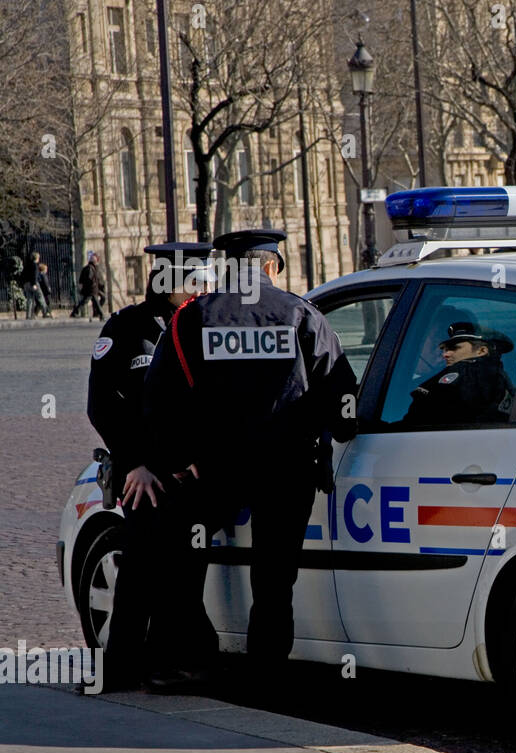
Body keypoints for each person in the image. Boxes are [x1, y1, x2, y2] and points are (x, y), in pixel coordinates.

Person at [141, 228, 359, 689]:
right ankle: (267, 676)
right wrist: (339, 432)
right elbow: (342, 397)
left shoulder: (192, 318)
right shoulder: (302, 314)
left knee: (183, 557)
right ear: (270, 268)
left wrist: (180, 456)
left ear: (226, 268)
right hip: (288, 469)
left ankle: (196, 658)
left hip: (216, 469)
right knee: (275, 578)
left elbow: (159, 399)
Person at [87, 242, 215, 691]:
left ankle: (170, 664)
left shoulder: (208, 325)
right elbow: (103, 406)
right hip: (146, 479)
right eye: (192, 279)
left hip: (193, 477)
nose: (200, 287)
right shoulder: (127, 328)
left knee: (186, 574)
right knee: (139, 573)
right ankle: (120, 670)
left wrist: (200, 459)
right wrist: (135, 464)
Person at [401, 321, 515, 427]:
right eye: (446, 349)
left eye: (455, 348)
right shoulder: (500, 378)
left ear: (481, 351)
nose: (445, 354)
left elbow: (420, 418)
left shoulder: (466, 371)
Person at [74, 251, 106, 320]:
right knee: (94, 302)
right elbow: (90, 279)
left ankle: (75, 312)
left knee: (85, 301)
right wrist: (93, 285)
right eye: (96, 261)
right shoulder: (90, 268)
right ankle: (101, 315)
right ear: (94, 261)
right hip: (91, 289)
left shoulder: (92, 267)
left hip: (92, 289)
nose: (97, 262)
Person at [22, 251, 51, 319]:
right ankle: (45, 313)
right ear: (37, 258)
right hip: (34, 283)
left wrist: (24, 283)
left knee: (29, 300)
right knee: (41, 298)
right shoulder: (35, 265)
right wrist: (34, 284)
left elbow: (22, 275)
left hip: (26, 284)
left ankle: (28, 315)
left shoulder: (27, 265)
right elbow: (34, 275)